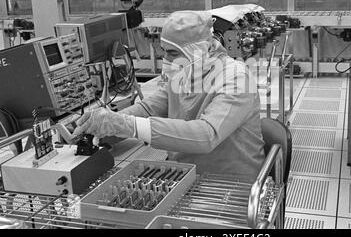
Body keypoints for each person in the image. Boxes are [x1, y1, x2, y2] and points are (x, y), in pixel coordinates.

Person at [73, 10, 265, 182]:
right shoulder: (186, 72)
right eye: (164, 52)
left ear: (198, 50)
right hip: (186, 173)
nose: (166, 60)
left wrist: (127, 125)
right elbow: (149, 108)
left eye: (173, 53)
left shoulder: (237, 78)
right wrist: (106, 124)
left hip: (229, 183)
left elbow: (206, 135)